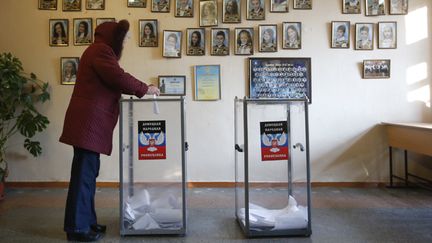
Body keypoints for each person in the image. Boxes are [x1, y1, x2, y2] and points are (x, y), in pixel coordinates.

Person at [60, 20, 160, 242]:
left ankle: (87, 222)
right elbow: (118, 76)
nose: (125, 42)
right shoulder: (101, 51)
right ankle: (77, 229)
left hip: (88, 124)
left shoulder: (98, 50)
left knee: (88, 174)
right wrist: (146, 88)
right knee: (84, 176)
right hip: (88, 124)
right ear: (113, 37)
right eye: (123, 38)